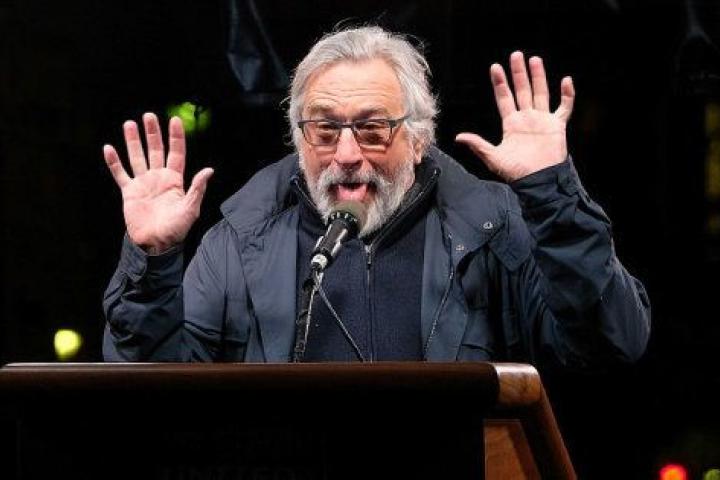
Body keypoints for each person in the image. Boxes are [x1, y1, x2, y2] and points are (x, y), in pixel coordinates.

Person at [102, 26, 650, 366]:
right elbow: (152, 390)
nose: (345, 153)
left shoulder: (493, 225)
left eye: (371, 129)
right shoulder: (239, 239)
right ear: (299, 139)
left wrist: (551, 194)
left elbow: (612, 345)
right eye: (324, 129)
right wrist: (153, 264)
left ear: (419, 139)